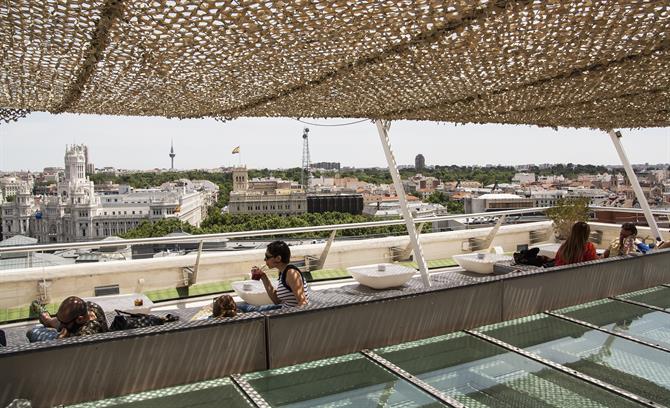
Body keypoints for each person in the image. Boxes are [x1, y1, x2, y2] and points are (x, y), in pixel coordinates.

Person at [238, 240, 310, 313]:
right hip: (283, 307)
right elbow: (276, 300)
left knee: (245, 309)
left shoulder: (291, 273)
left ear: (278, 258)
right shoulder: (283, 272)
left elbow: (303, 303)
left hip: (286, 315)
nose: (264, 259)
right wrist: (263, 277)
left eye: (267, 257)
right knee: (243, 307)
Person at [26, 296, 108, 343]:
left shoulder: (83, 335)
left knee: (32, 332)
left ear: (80, 319)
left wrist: (61, 338)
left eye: (63, 323)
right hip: (72, 326)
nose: (61, 325)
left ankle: (42, 313)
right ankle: (43, 314)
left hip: (71, 334)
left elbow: (59, 347)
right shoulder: (92, 307)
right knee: (49, 321)